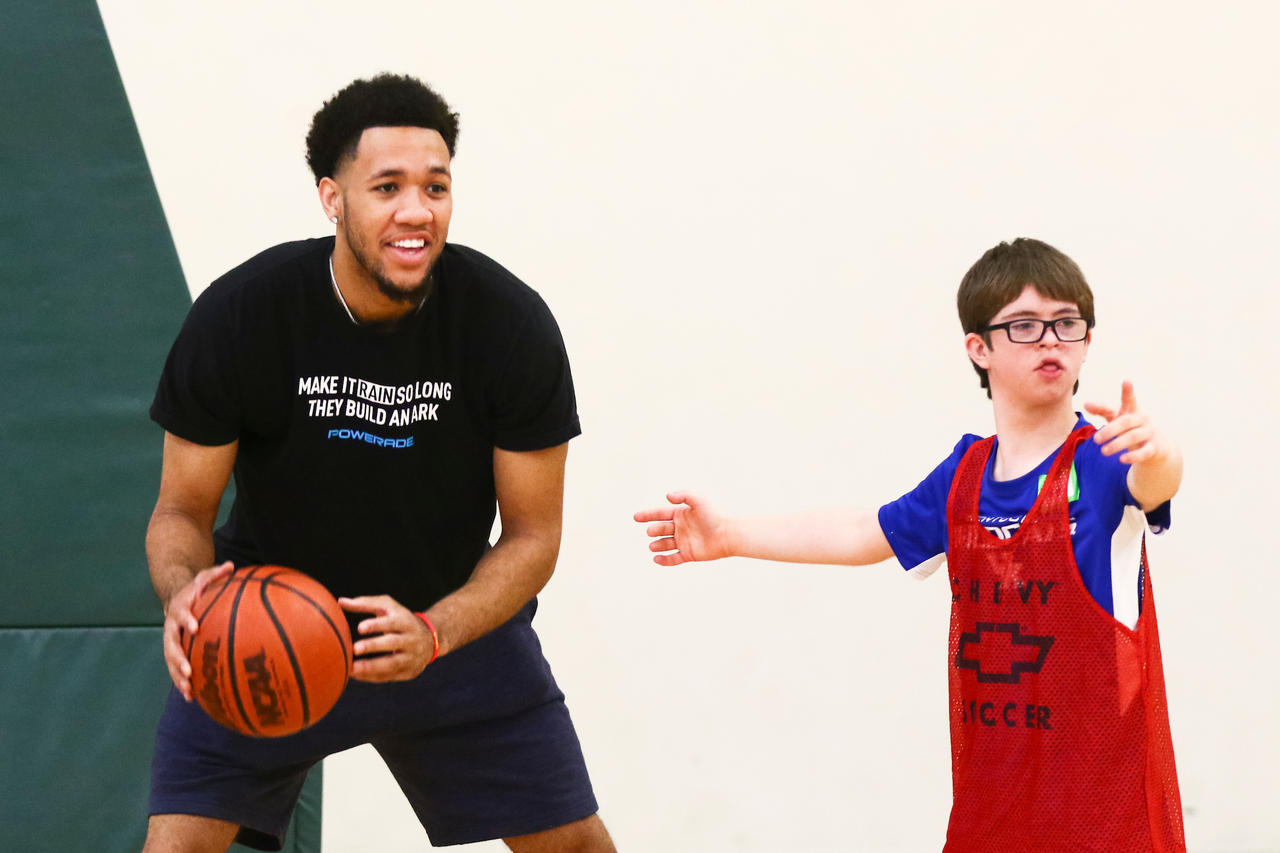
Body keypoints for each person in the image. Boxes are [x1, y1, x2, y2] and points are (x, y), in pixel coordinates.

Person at [144, 73, 614, 853]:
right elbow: (180, 513)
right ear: (332, 197)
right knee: (177, 846)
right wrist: (184, 597)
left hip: (444, 624)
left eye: (435, 186)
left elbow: (534, 538)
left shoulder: (508, 324)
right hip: (269, 621)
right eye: (387, 186)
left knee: (576, 845)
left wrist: (434, 632)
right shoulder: (244, 314)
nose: (416, 211)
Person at [636, 238, 1186, 852]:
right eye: (1026, 325)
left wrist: (1161, 452)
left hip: (1104, 813)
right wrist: (730, 535)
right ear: (979, 347)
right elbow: (864, 532)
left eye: (1067, 324)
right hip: (993, 808)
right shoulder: (963, 477)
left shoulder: (1107, 461)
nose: (1051, 339)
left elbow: (1156, 481)